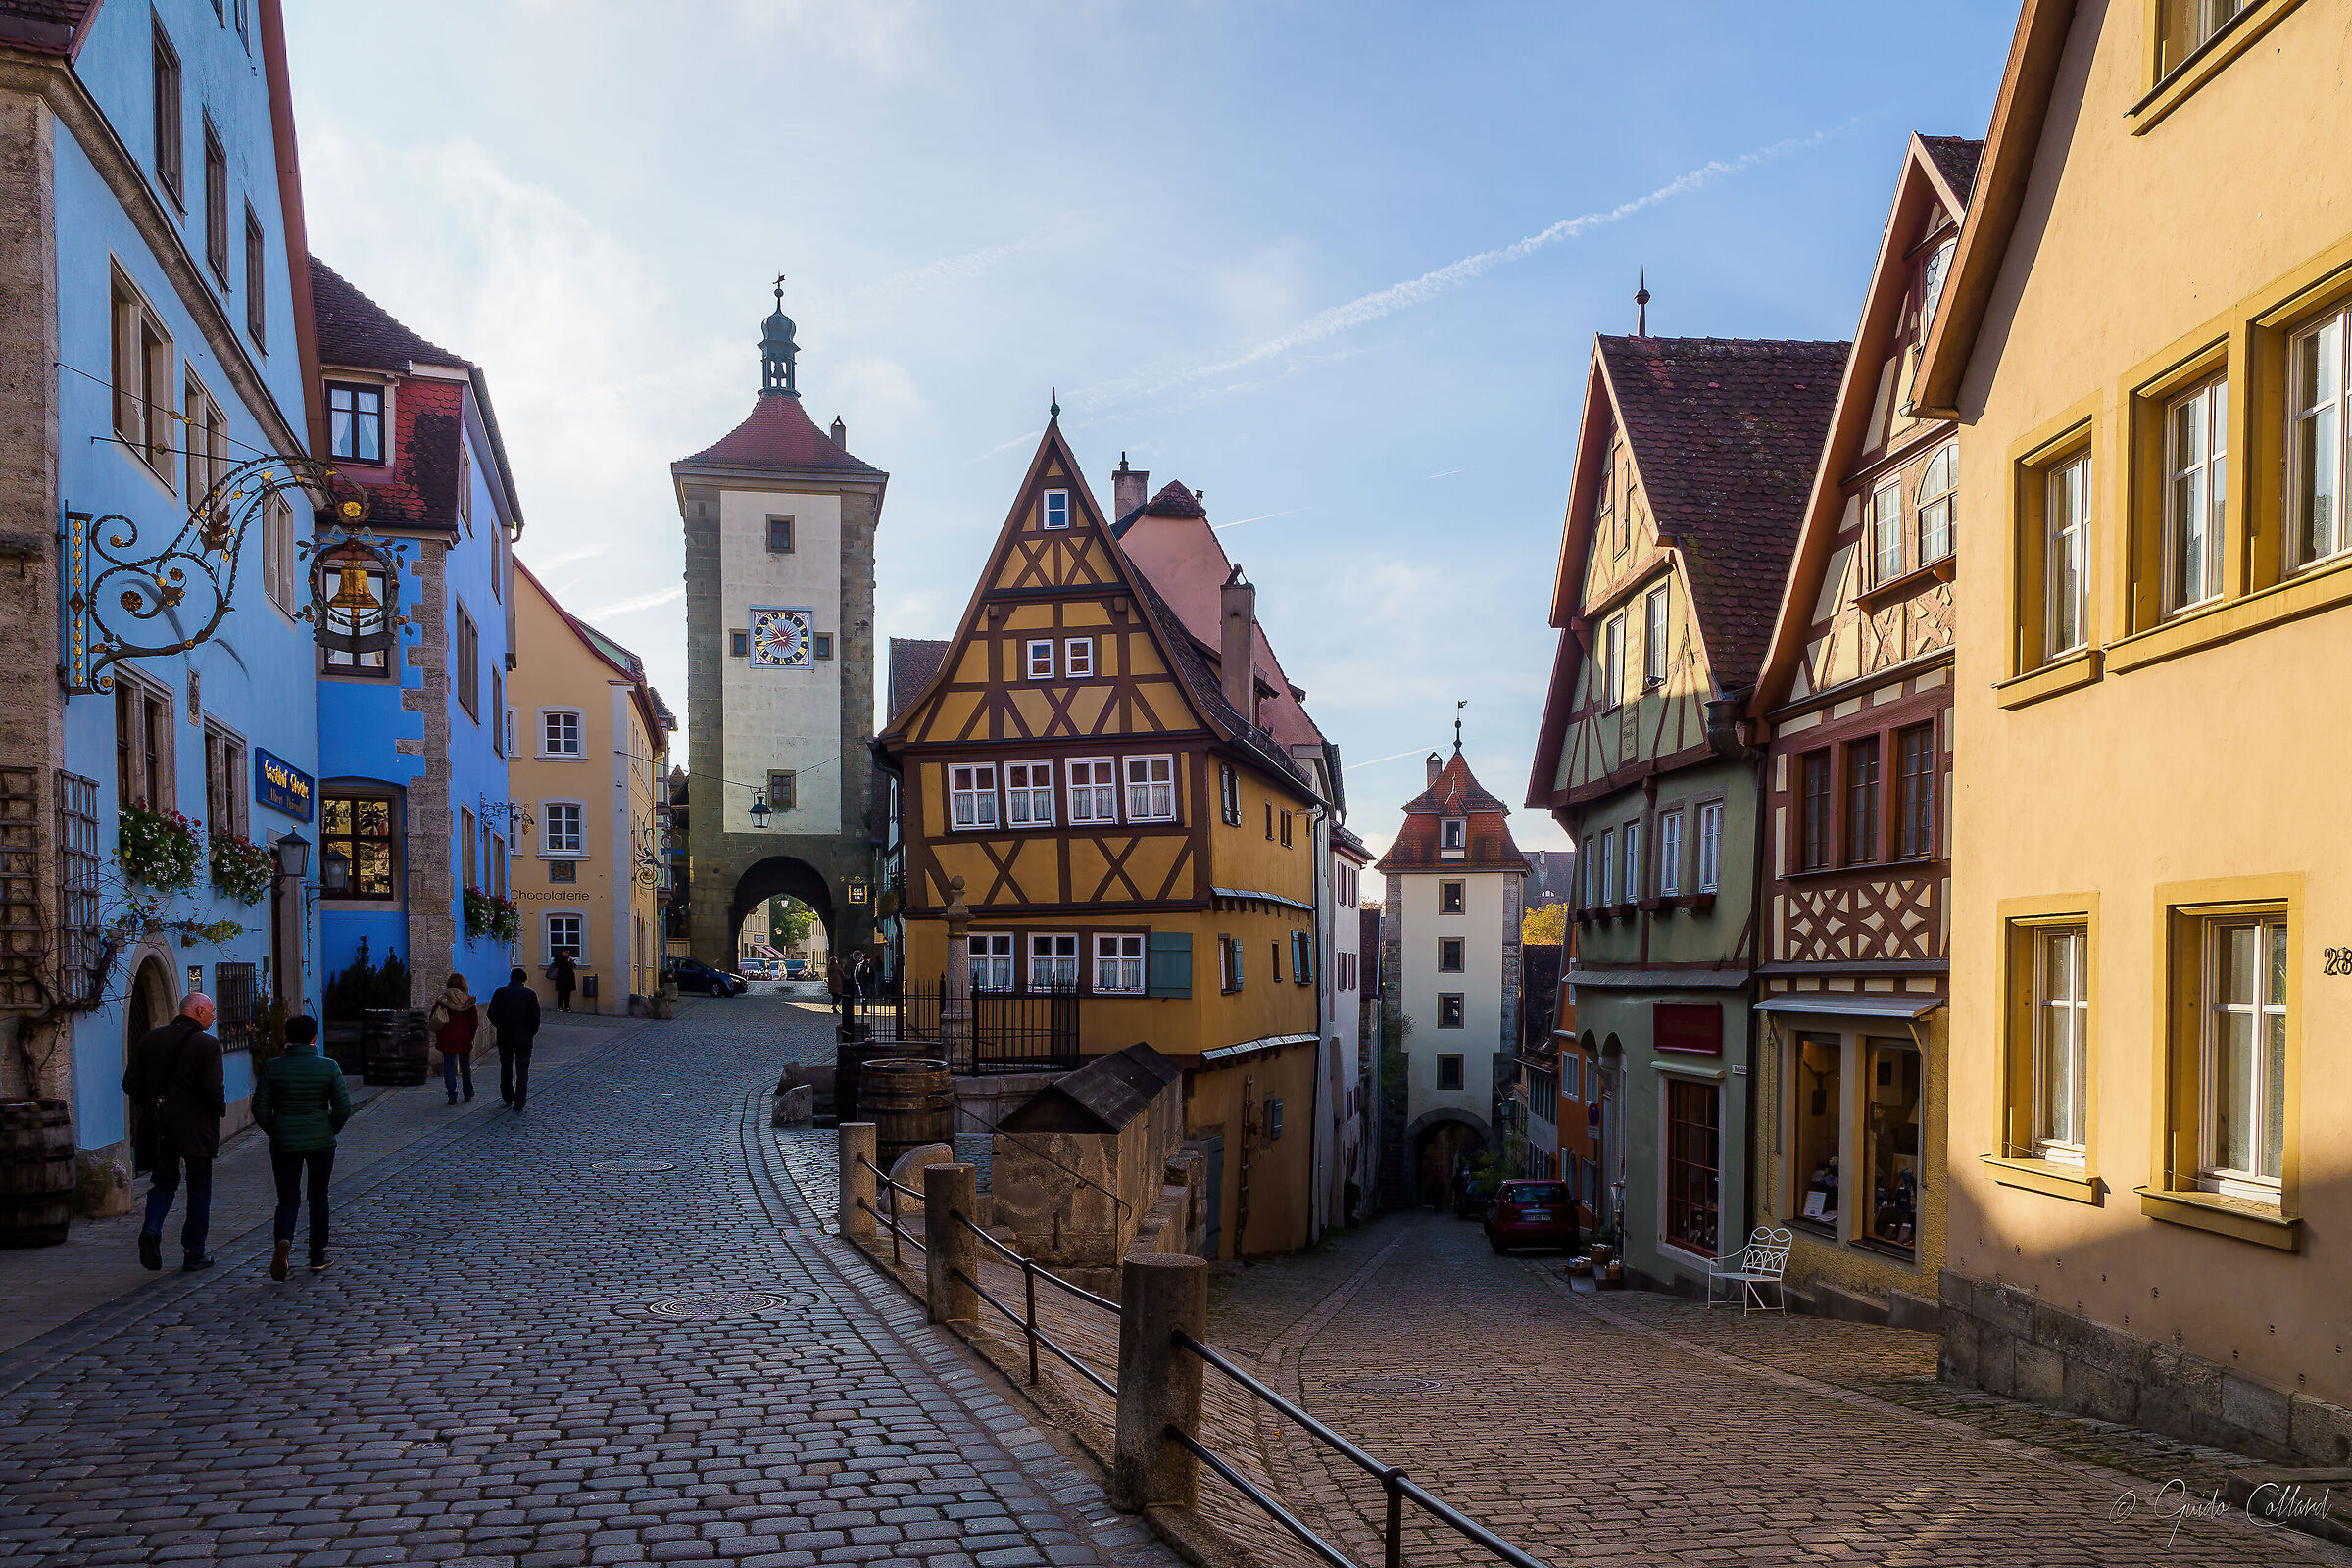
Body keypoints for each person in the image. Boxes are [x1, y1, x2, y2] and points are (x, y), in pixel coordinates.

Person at [122, 992, 224, 1273]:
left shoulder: (150, 1039)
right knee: (199, 1190)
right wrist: (218, 1108)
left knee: (164, 1182)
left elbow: (130, 1082)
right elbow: (213, 1089)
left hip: (160, 1125)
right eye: (212, 1011)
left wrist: (153, 1103)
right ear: (199, 1012)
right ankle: (194, 1252)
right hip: (197, 1127)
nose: (214, 1016)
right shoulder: (208, 1045)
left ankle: (151, 1229)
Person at [250, 1014, 351, 1279]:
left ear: (287, 1039)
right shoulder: (328, 1067)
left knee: (288, 1198)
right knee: (319, 1196)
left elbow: (259, 1107)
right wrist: (330, 1127)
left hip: (284, 1143)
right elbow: (343, 1107)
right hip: (320, 1141)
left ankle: (284, 1240)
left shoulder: (273, 1067)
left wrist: (277, 1129)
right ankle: (317, 1254)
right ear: (314, 1038)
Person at [486, 967, 541, 1112]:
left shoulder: (500, 992)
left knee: (506, 1067)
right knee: (522, 1069)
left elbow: (491, 1013)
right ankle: (520, 1100)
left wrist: (500, 1026)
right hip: (524, 1038)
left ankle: (507, 1095)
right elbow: (535, 1016)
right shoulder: (530, 994)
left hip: (505, 1036)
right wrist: (531, 1032)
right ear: (524, 979)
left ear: (511, 978)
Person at [427, 973, 483, 1104]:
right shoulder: (468, 1001)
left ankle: (452, 1094)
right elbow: (474, 1022)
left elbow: (433, 1017)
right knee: (465, 1066)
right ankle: (468, 1091)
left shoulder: (442, 1000)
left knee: (449, 1066)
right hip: (464, 1037)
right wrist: (472, 1035)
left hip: (447, 1038)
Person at [549, 949, 576, 1013]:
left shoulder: (568, 958)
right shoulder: (558, 958)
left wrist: (572, 962)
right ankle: (560, 1007)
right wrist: (568, 961)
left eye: (568, 953)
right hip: (561, 977)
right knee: (561, 993)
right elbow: (561, 965)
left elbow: (573, 966)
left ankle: (567, 1007)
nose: (567, 954)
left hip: (569, 977)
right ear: (562, 952)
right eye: (566, 952)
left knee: (568, 993)